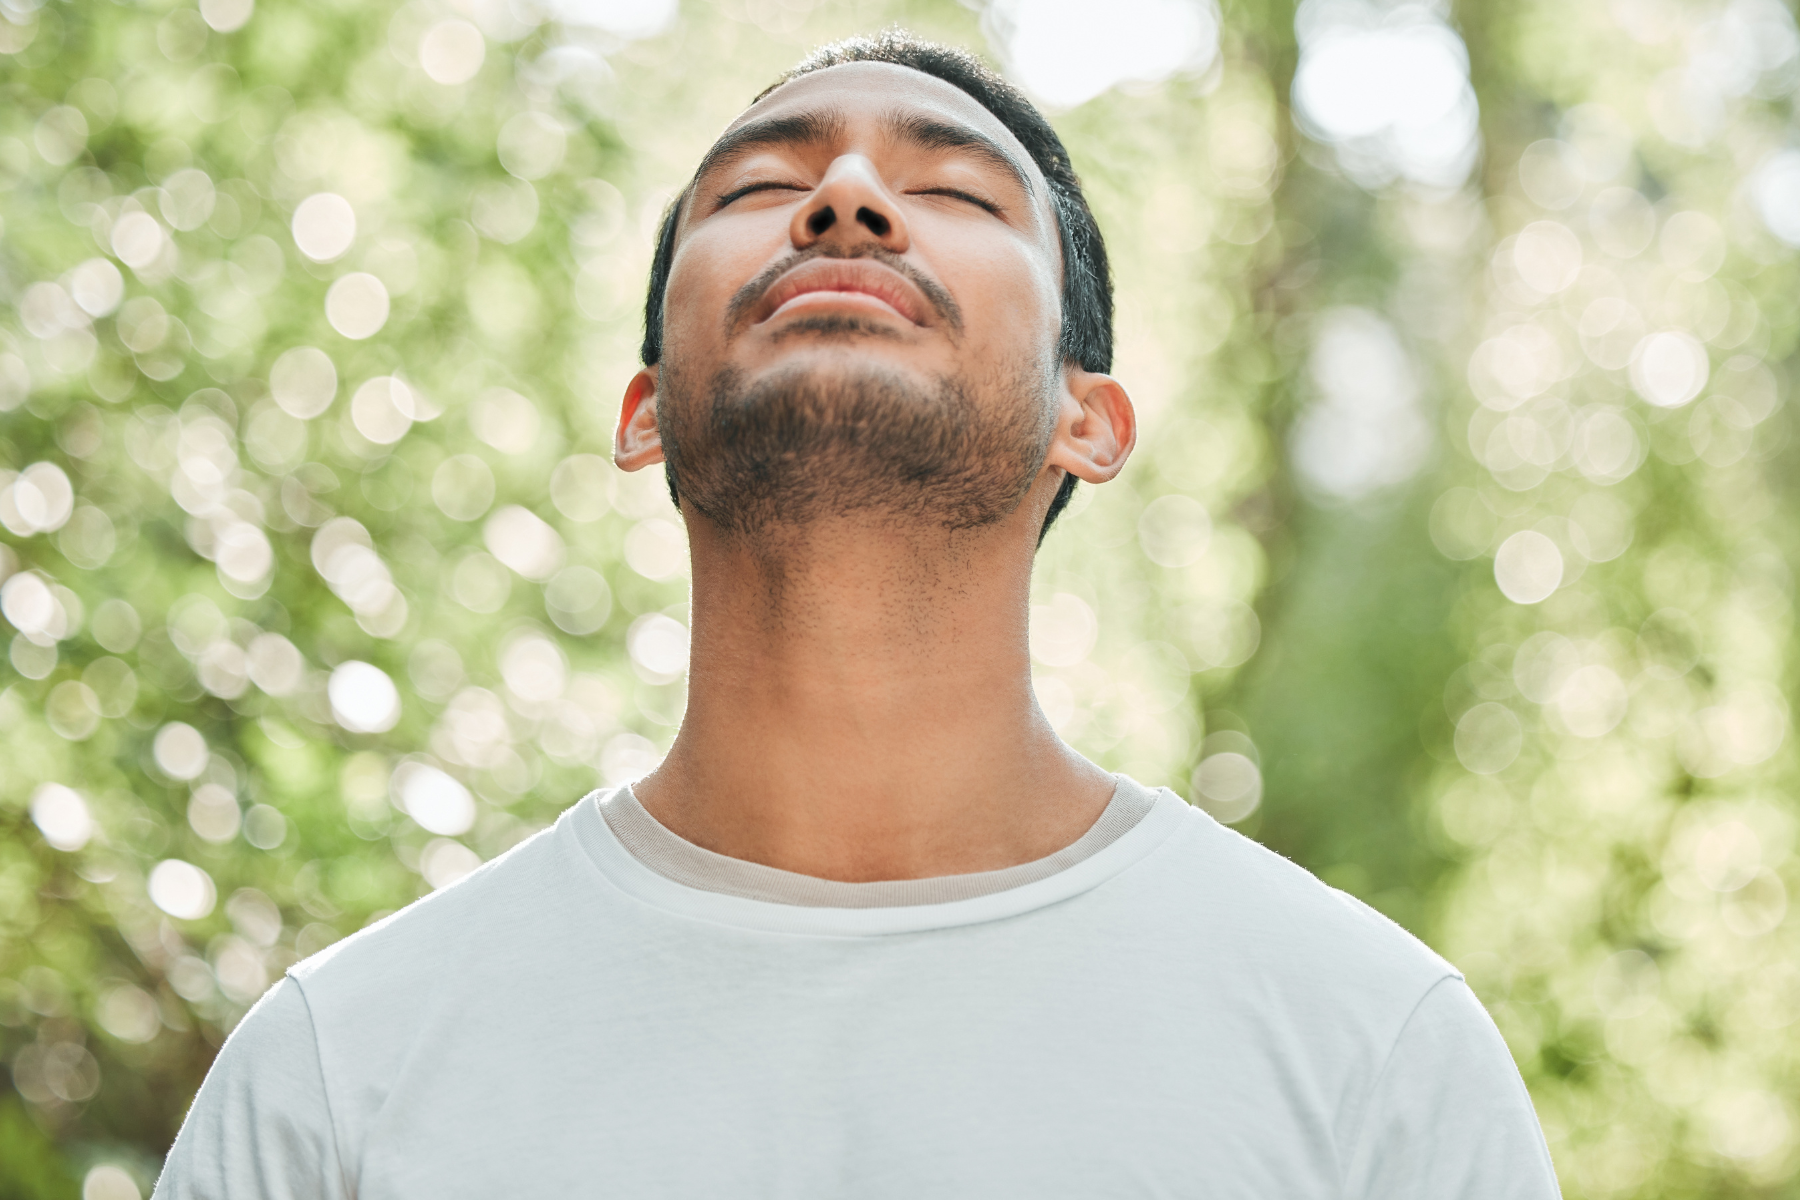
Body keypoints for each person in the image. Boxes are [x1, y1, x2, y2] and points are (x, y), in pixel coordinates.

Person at [154, 32, 1561, 1199]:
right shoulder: (338, 1072)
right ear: (646, 411)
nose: (844, 198)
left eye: (955, 191)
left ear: (1087, 420)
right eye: (762, 183)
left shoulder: (1373, 1051)